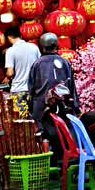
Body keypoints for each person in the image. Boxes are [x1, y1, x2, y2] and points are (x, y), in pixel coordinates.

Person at [28, 33, 79, 161]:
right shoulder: (65, 62)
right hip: (64, 106)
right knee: (65, 132)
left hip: (42, 107)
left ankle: (48, 163)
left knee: (43, 134)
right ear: (57, 45)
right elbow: (72, 86)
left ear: (42, 47)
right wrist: (76, 107)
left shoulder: (37, 64)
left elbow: (31, 88)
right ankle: (68, 160)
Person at [4, 26, 40, 96]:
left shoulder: (11, 51)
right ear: (20, 36)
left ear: (9, 37)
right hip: (34, 88)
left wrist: (7, 78)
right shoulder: (34, 47)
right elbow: (40, 66)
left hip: (18, 89)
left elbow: (10, 73)